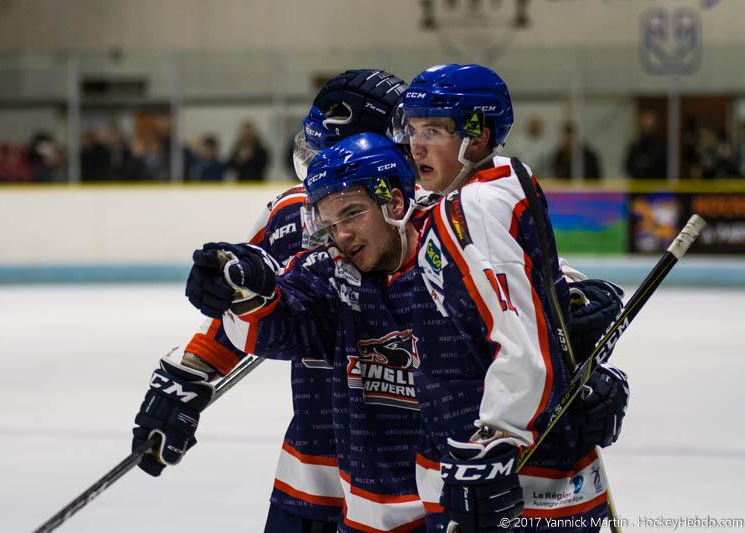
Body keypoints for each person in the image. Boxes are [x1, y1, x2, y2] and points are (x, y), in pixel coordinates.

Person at [184, 131, 629, 533]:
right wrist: (244, 292)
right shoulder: (335, 273)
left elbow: (533, 329)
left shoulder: (459, 246)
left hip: (493, 500)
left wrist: (592, 377)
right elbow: (282, 322)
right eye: (330, 223)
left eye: (352, 214)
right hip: (381, 509)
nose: (342, 235)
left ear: (395, 204)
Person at [131, 70, 408, 533]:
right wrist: (186, 378)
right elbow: (247, 299)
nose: (317, 185)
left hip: (411, 482)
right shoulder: (292, 214)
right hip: (313, 471)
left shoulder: (439, 222)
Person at [392, 63, 628, 530]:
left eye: (433, 130)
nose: (415, 146)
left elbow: (521, 349)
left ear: (478, 137)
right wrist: (571, 296)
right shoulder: (508, 177)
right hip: (554, 474)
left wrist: (491, 444)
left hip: (512, 485)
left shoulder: (470, 207)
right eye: (413, 129)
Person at [625, 109, 667, 179]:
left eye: (650, 128)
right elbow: (628, 166)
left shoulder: (661, 147)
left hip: (656, 183)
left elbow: (662, 167)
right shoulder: (636, 145)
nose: (647, 131)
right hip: (639, 183)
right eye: (644, 127)